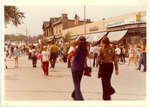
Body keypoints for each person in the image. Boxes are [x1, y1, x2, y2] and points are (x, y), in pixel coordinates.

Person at [98, 36, 119, 100]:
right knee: (107, 81)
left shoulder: (102, 49)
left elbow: (99, 59)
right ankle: (108, 96)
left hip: (104, 65)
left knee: (104, 81)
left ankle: (106, 95)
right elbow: (115, 59)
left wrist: (99, 65)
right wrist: (116, 69)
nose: (102, 44)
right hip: (110, 66)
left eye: (103, 42)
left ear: (104, 42)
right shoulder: (112, 48)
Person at [71, 36, 88, 100]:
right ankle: (74, 94)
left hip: (75, 68)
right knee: (78, 83)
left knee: (76, 84)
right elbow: (85, 59)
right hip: (81, 68)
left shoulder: (77, 50)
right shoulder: (85, 50)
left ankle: (79, 98)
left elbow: (74, 58)